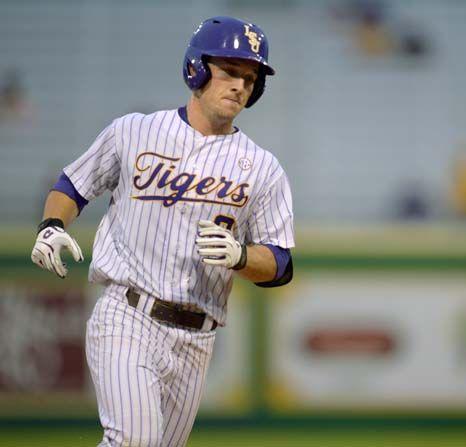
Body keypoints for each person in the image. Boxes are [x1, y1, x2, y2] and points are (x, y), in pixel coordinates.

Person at [30, 16, 294, 447]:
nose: (240, 86)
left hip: (197, 336)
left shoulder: (262, 167)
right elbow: (72, 186)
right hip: (127, 312)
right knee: (134, 441)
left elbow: (281, 263)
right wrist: (52, 225)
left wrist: (243, 257)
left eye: (250, 78)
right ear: (198, 69)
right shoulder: (135, 131)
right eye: (229, 71)